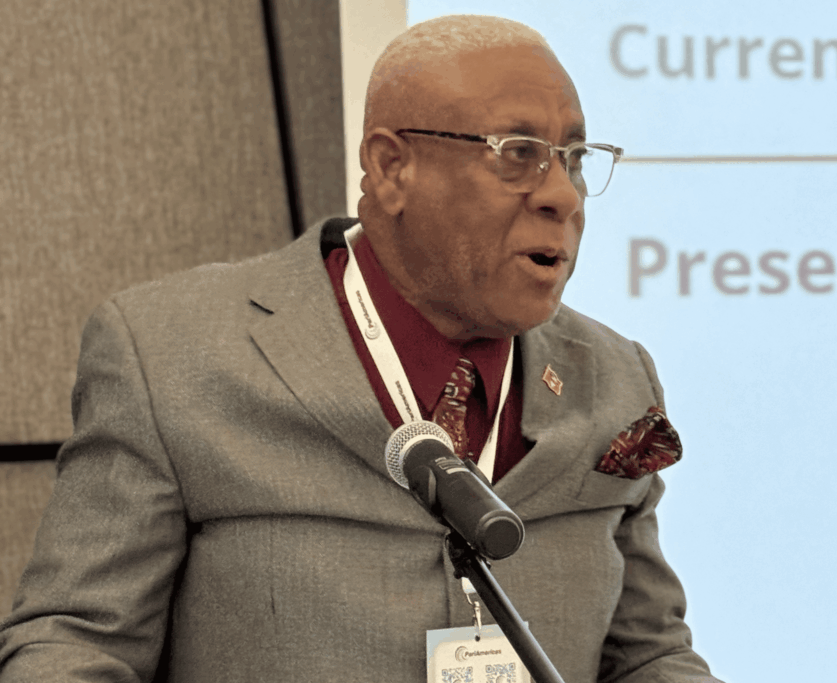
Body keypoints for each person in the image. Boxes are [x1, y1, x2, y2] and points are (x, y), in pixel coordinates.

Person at [0, 14, 723, 683]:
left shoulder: (616, 377)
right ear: (391, 166)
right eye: (520, 154)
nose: (562, 195)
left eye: (571, 158)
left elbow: (648, 654)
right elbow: (77, 644)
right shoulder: (172, 354)